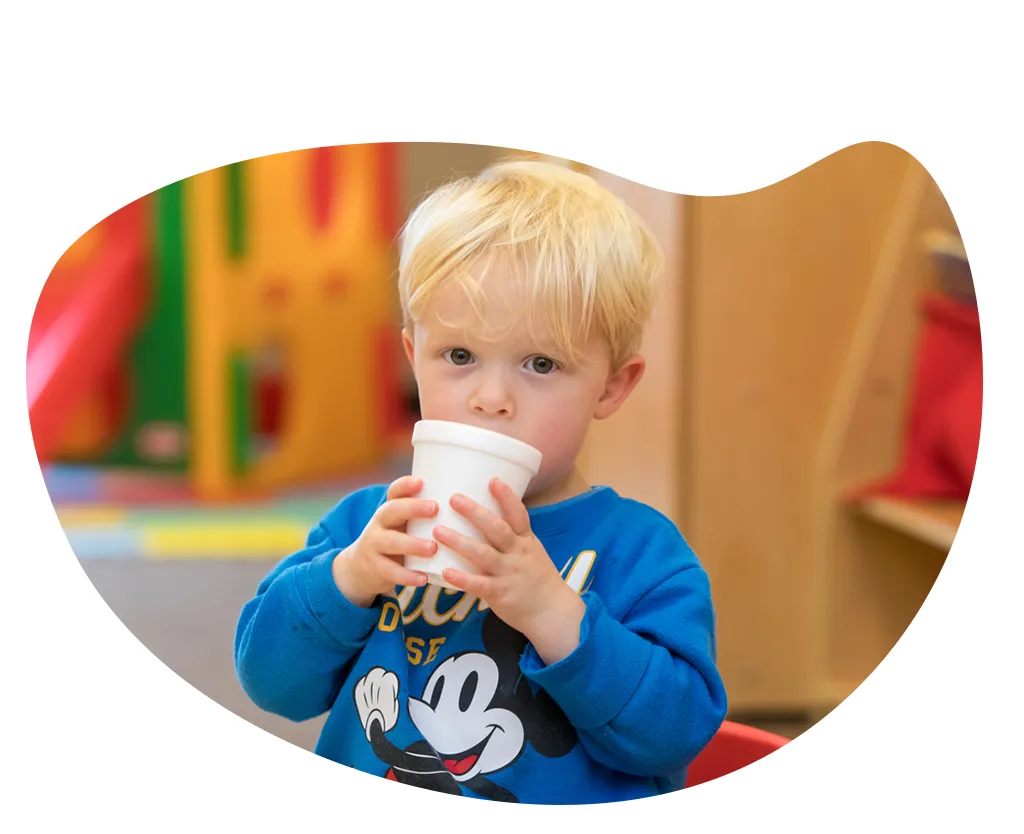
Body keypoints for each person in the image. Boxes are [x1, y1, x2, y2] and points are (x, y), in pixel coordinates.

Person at [234, 158, 728, 805]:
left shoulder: (642, 554)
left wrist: (554, 613)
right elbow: (273, 686)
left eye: (541, 363)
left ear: (611, 386)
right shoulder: (363, 527)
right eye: (460, 356)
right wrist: (350, 578)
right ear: (414, 357)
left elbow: (673, 736)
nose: (491, 398)